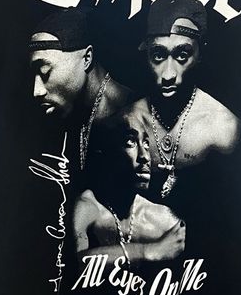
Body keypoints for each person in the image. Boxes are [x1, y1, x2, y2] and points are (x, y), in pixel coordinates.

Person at [128, 0, 240, 200]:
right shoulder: (125, 121)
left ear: (200, 54)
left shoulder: (224, 129)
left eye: (182, 55)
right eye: (158, 55)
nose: (168, 74)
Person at [71, 106, 187, 273]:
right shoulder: (88, 206)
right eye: (130, 142)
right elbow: (73, 264)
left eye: (146, 143)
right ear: (106, 153)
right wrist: (148, 251)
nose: (144, 156)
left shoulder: (163, 217)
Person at [28, 6, 134, 170]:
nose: (37, 91)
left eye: (45, 72)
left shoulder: (132, 116)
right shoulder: (75, 112)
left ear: (87, 58)